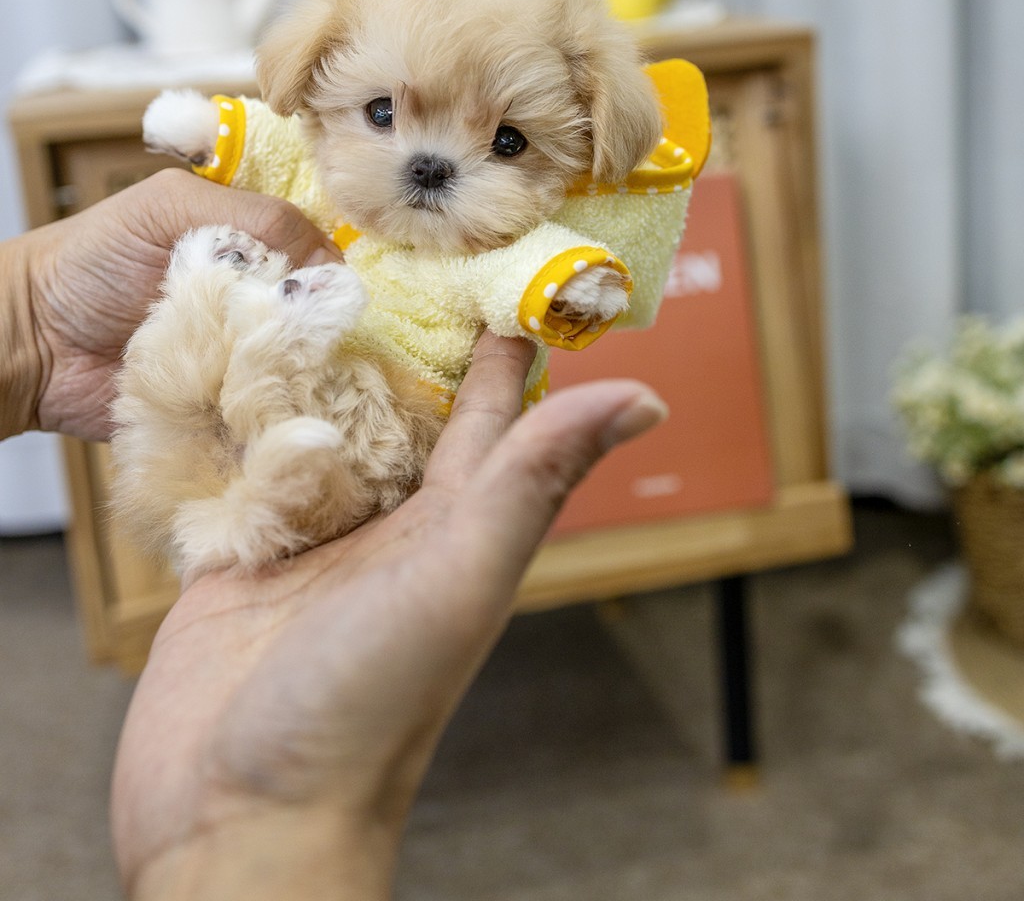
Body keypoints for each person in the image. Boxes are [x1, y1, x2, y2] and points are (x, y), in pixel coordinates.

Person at [1, 168, 668, 899]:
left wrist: (564, 278)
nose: (426, 165)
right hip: (319, 397)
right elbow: (277, 149)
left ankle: (255, 352)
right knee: (186, 393)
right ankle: (238, 328)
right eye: (382, 113)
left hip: (371, 410)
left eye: (506, 144)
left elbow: (526, 272)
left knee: (226, 411)